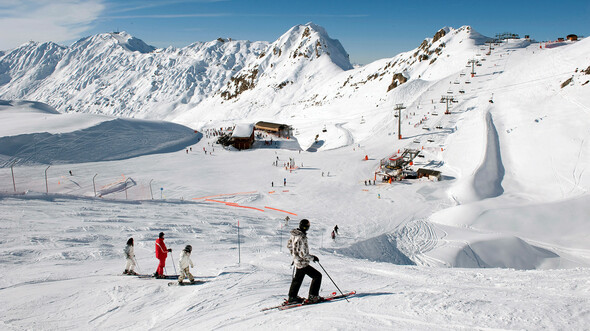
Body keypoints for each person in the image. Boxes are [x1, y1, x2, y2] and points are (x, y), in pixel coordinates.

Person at [286, 219, 323, 304]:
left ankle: (292, 297)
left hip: (297, 261)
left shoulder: (294, 234)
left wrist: (294, 255)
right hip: (302, 263)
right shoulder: (302, 237)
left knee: (298, 278)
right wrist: (313, 258)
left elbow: (289, 246)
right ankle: (313, 296)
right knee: (317, 276)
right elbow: (304, 255)